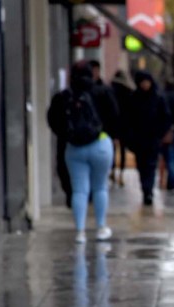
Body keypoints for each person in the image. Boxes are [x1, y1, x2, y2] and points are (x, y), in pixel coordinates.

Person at [47, 60, 117, 243]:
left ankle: (80, 231)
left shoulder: (63, 97)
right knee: (100, 187)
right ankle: (101, 227)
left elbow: (53, 120)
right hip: (100, 145)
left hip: (74, 148)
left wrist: (67, 136)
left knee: (79, 190)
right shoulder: (102, 92)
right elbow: (115, 116)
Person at [122, 70, 172, 206]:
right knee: (142, 166)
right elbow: (127, 119)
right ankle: (145, 189)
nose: (145, 85)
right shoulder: (133, 98)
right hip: (139, 140)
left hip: (153, 139)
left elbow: (166, 118)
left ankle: (148, 191)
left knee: (151, 165)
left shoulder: (158, 98)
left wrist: (160, 133)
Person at [109, 69, 134, 187]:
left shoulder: (111, 91)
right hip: (125, 125)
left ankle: (113, 170)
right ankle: (121, 174)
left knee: (112, 149)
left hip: (113, 124)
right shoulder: (129, 92)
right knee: (122, 150)